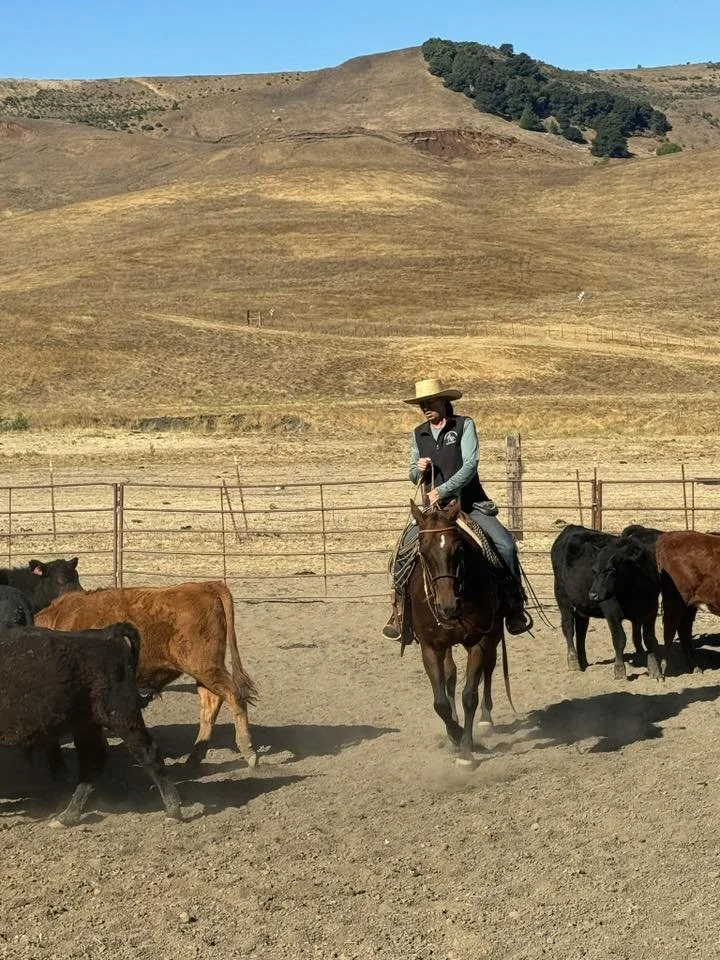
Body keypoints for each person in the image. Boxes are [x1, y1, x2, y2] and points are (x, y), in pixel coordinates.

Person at [381, 377, 533, 640]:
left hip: (470, 504)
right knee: (400, 555)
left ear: (444, 401)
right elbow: (412, 473)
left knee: (505, 544)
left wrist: (443, 489)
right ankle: (401, 614)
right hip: (432, 512)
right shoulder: (419, 434)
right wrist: (417, 471)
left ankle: (514, 606)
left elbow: (470, 464)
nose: (426, 408)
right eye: (422, 404)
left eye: (429, 402)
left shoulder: (464, 426)